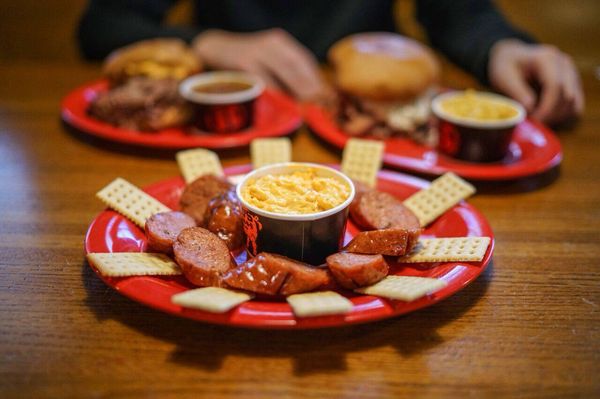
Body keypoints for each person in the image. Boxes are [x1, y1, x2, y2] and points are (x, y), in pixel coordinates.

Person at [78, 0, 584, 125]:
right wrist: (206, 41)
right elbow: (103, 22)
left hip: (367, 134)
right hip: (230, 120)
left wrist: (500, 46)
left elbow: (458, 12)